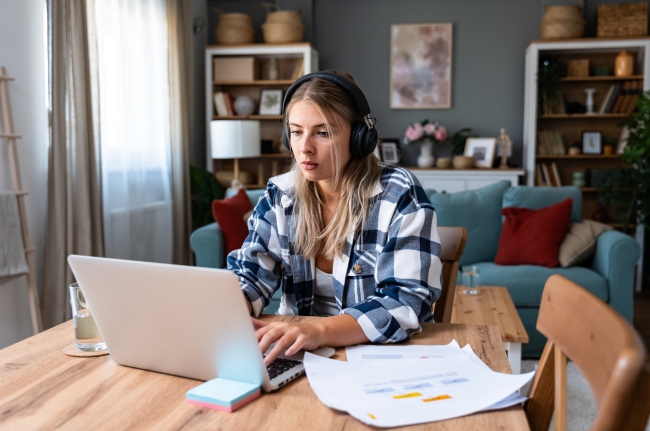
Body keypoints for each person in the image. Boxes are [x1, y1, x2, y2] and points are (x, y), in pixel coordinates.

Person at [227, 70, 442, 365]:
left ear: (359, 139)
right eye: (296, 131)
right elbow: (251, 274)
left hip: (381, 357)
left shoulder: (398, 194)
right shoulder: (281, 194)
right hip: (296, 353)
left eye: (323, 132)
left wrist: (316, 330)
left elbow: (405, 302)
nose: (305, 148)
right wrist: (230, 309)